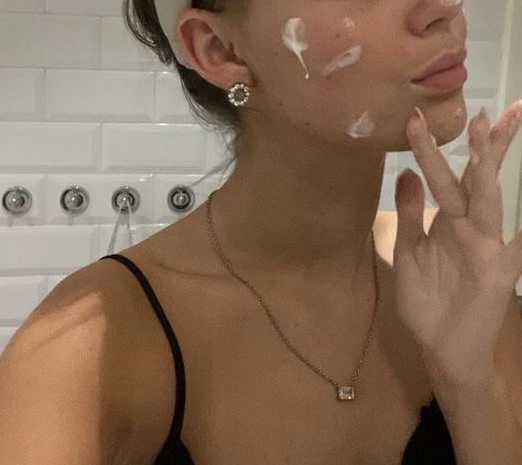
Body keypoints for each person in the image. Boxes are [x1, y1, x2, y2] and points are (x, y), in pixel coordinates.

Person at [0, 0, 470, 463]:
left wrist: (473, 382)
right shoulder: (81, 357)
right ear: (219, 50)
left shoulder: (458, 271)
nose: (444, 7)